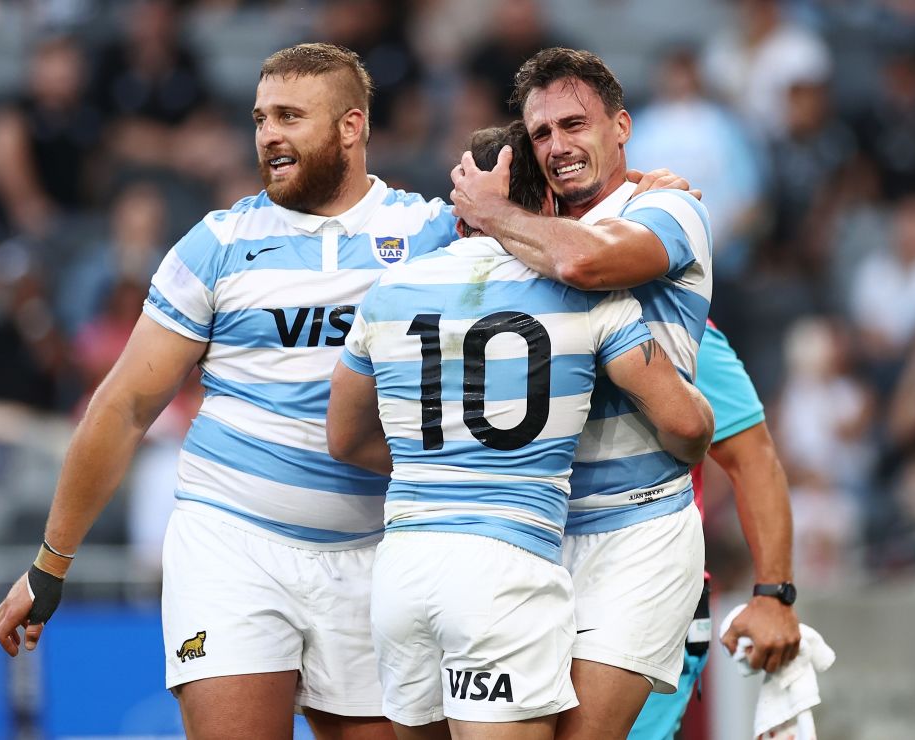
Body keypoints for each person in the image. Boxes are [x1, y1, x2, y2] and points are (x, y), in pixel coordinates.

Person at [0, 43, 461, 740]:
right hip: (233, 543)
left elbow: (560, 228)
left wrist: (644, 194)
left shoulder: (432, 235)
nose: (268, 133)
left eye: (290, 116)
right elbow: (122, 408)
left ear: (351, 127)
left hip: (376, 551)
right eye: (260, 117)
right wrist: (48, 566)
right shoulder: (216, 244)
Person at [326, 124, 714, 740]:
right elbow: (687, 422)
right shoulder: (583, 296)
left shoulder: (389, 292)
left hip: (401, 572)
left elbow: (343, 439)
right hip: (505, 567)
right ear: (546, 210)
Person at [451, 47, 795, 738]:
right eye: (542, 134)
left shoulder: (675, 303)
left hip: (641, 564)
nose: (558, 145)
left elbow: (751, 454)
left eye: (575, 125)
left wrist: (774, 595)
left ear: (622, 126)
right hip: (527, 562)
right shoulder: (505, 277)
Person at [630, 320, 800, 739]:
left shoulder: (679, 325)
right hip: (526, 594)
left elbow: (753, 459)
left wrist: (774, 595)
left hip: (652, 605)